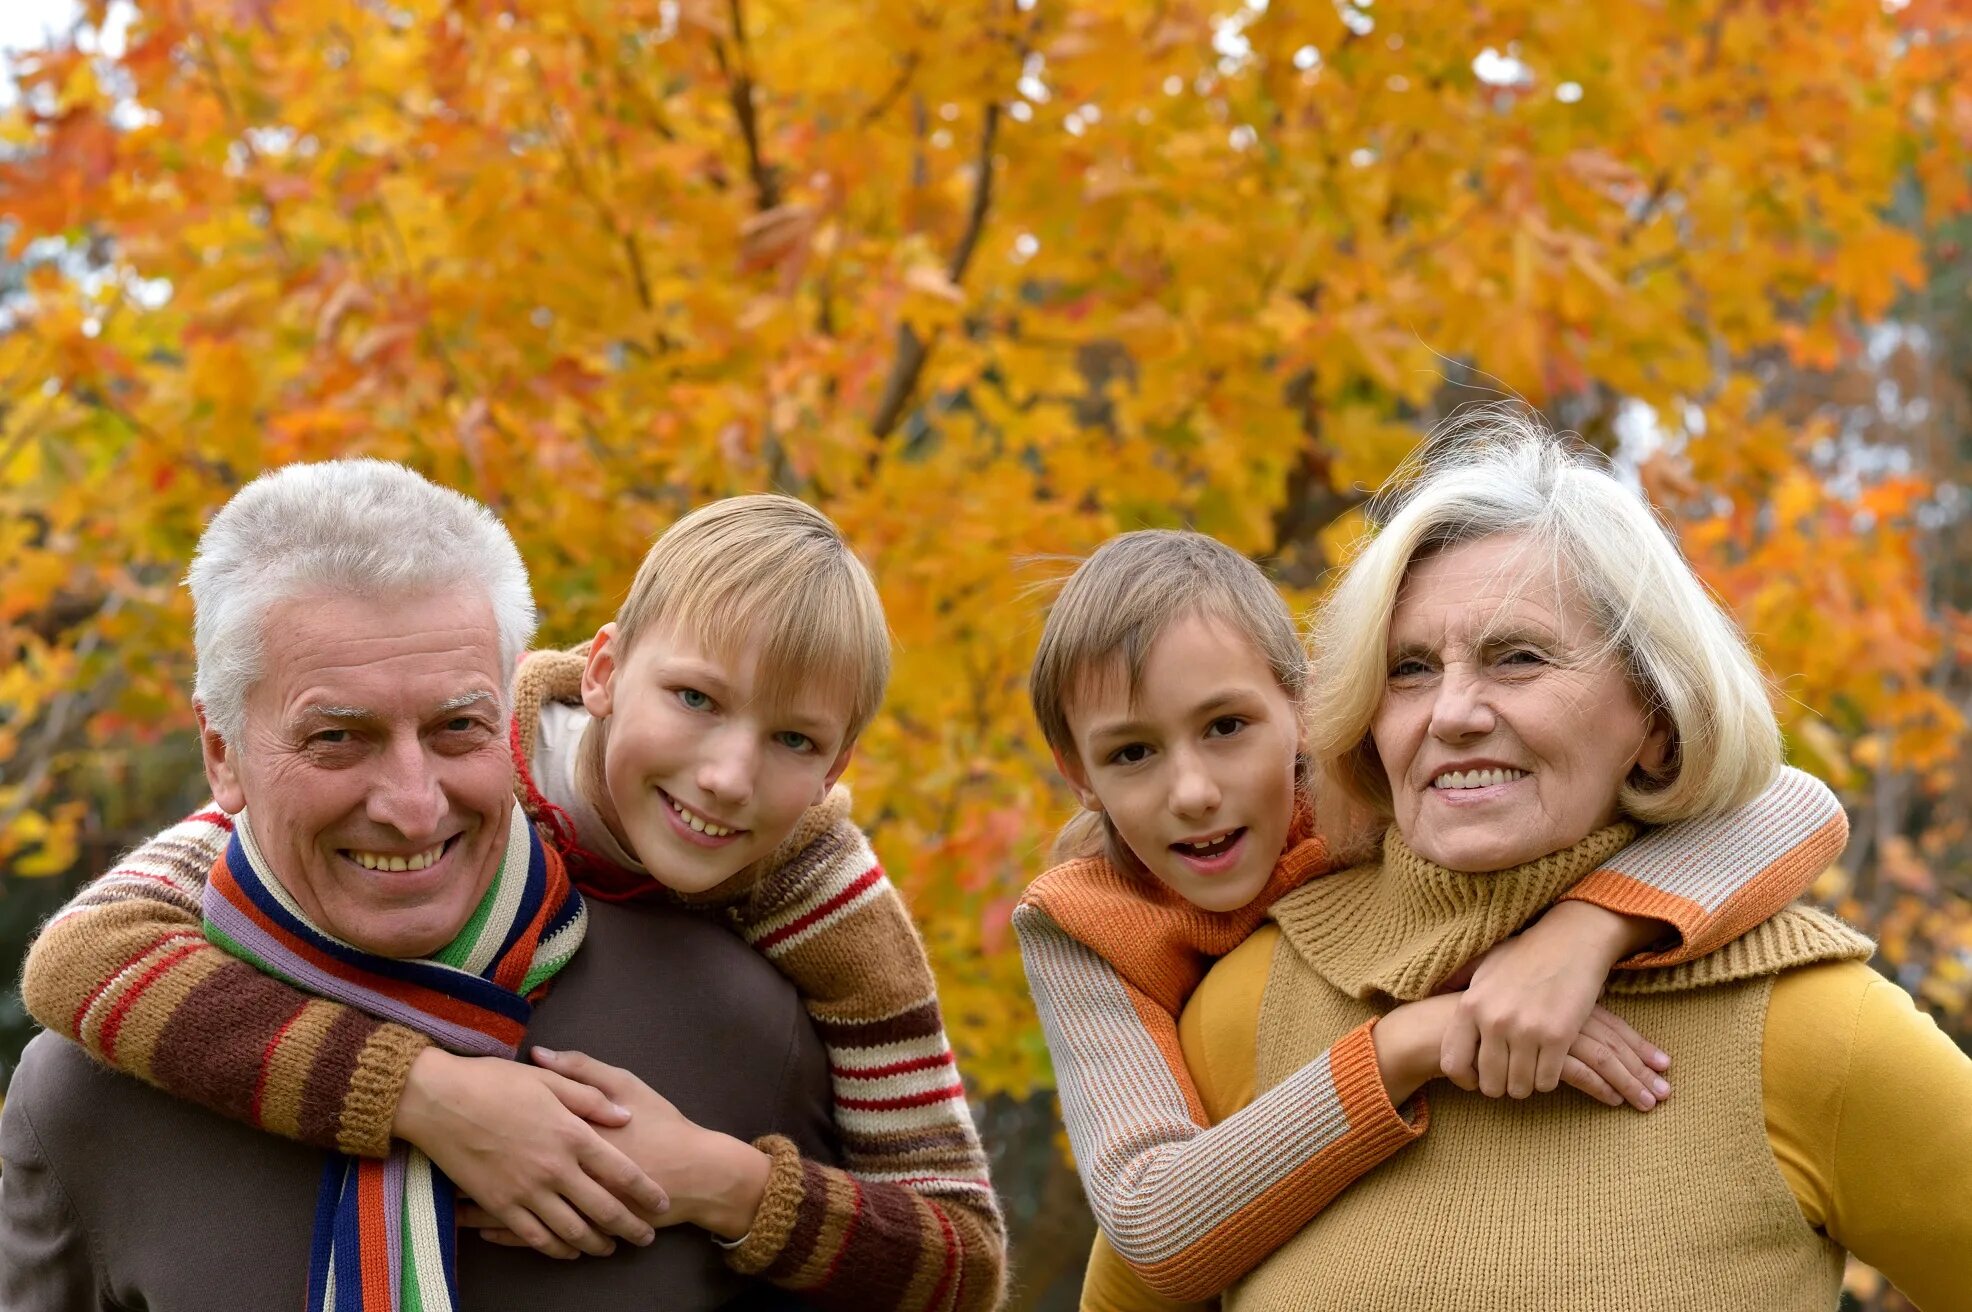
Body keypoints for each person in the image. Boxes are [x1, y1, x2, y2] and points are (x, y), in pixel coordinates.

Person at [0, 462, 992, 1311]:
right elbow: (85, 950)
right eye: (337, 736)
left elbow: (957, 1257)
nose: (413, 803)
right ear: (224, 756)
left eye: (453, 728)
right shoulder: (86, 1098)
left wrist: (729, 1186)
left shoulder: (761, 1009)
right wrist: (423, 1091)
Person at [1077, 413, 1972, 1309]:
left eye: (1520, 658)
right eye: (1411, 669)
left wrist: (1591, 932)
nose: (1454, 711)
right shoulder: (1248, 1005)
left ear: (1657, 719)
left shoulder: (1815, 1033)